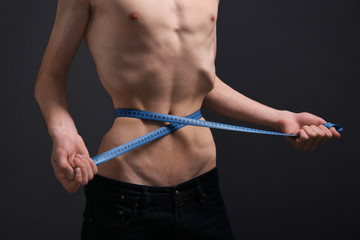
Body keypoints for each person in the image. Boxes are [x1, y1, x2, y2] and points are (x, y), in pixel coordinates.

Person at [34, 0, 341, 239]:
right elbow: (49, 78)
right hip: (125, 199)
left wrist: (282, 118)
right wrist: (64, 133)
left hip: (203, 194)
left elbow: (201, 84)